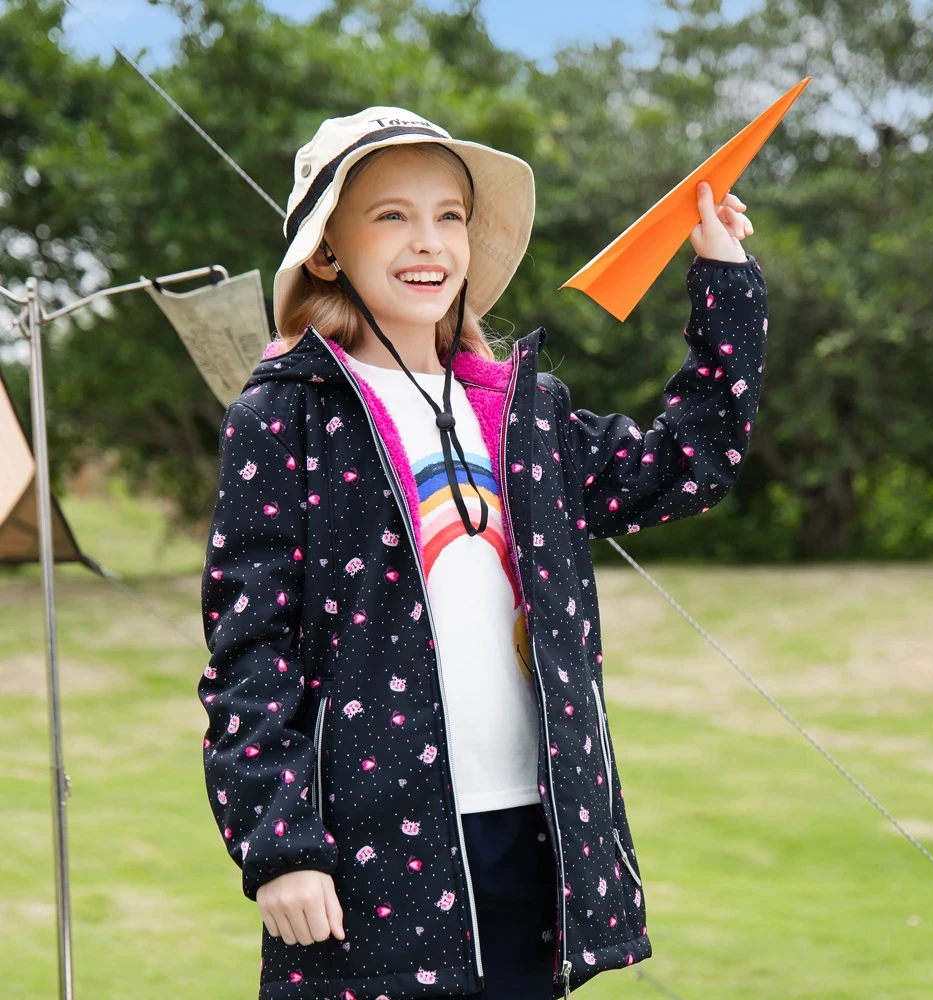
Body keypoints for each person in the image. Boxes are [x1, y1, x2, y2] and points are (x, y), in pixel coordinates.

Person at [198, 106, 767, 1000]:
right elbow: (249, 651)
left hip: (534, 836)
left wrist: (725, 280)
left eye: (449, 216)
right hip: (369, 854)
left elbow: (686, 464)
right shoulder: (284, 417)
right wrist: (279, 846)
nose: (428, 241)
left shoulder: (523, 413)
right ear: (326, 249)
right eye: (391, 216)